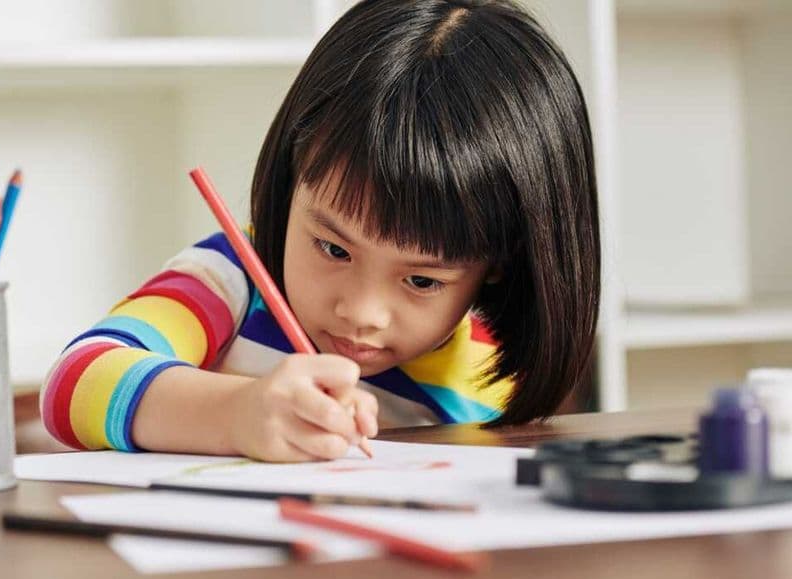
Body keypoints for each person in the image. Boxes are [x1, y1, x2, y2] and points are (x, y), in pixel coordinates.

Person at [40, 0, 601, 462]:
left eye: (423, 281)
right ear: (292, 173)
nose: (361, 312)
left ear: (499, 263)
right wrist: (237, 415)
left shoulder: (488, 374)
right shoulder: (229, 280)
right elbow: (75, 381)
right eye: (333, 247)